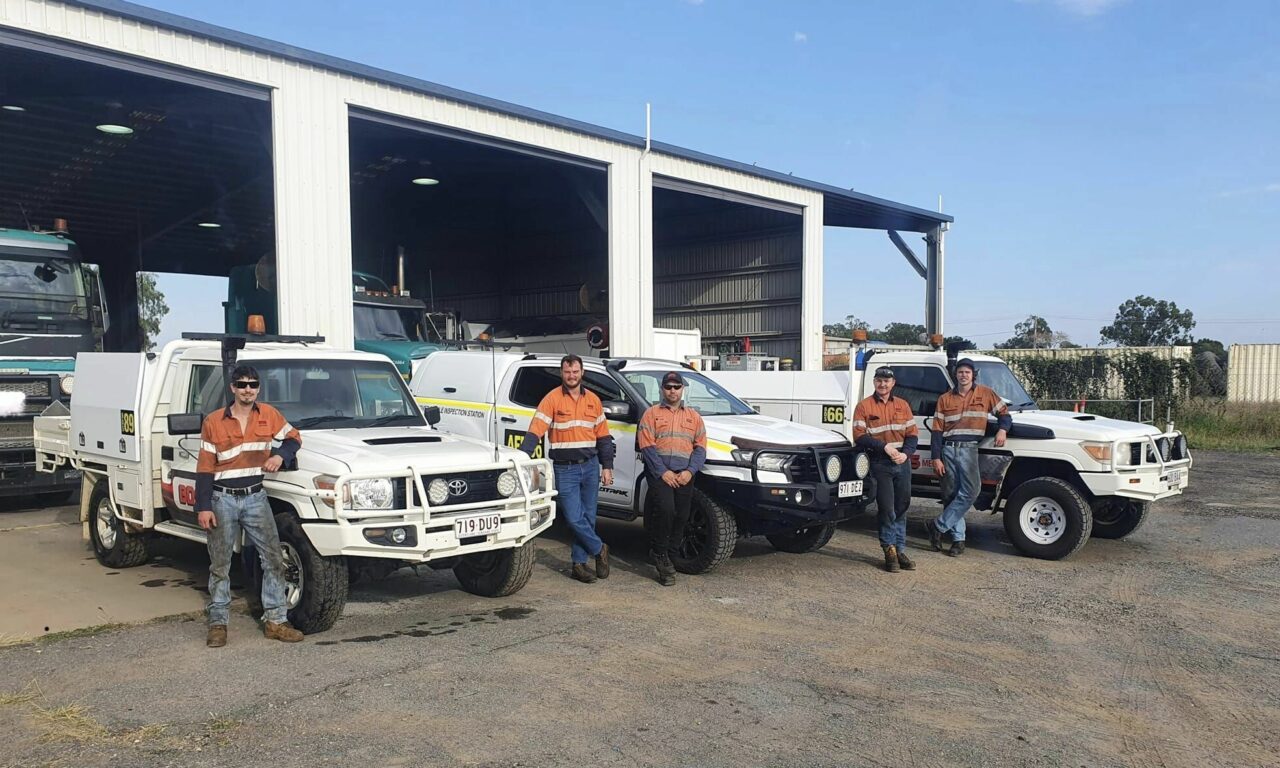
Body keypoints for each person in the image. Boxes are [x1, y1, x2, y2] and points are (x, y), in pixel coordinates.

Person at [196, 365, 304, 647]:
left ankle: (276, 621)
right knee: (220, 564)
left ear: (258, 388)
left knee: (273, 560)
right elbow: (205, 468)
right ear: (232, 387)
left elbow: (294, 438)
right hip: (222, 500)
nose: (247, 389)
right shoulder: (214, 421)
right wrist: (203, 506)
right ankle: (218, 623)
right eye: (242, 384)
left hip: (256, 497)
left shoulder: (269, 415)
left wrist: (280, 456)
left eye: (253, 385)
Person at [518, 354, 616, 583]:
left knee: (589, 517)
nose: (571, 376)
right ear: (561, 373)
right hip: (566, 469)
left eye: (575, 371)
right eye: (567, 372)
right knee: (573, 517)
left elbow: (603, 437)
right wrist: (522, 456)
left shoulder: (593, 400)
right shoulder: (552, 399)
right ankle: (600, 548)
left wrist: (607, 466)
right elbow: (535, 430)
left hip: (591, 466)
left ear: (582, 373)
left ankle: (578, 565)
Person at [926, 358, 1011, 557]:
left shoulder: (986, 393)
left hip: (969, 449)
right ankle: (958, 540)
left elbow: (1005, 414)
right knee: (951, 496)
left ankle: (937, 526)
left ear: (973, 375)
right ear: (955, 374)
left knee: (972, 491)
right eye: (960, 372)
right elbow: (937, 431)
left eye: (967, 372)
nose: (963, 375)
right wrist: (936, 458)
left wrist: (1002, 431)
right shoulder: (945, 398)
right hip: (948, 450)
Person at [637, 371, 707, 586]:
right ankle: (660, 554)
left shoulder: (694, 417)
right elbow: (646, 446)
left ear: (682, 389)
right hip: (660, 473)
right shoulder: (651, 414)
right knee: (666, 510)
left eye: (676, 387)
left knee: (682, 515)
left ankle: (670, 553)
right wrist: (663, 472)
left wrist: (689, 471)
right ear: (662, 389)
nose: (672, 391)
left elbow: (701, 448)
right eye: (668, 387)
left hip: (685, 473)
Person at [852, 366, 919, 572]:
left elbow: (912, 434)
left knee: (903, 505)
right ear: (874, 382)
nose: (883, 384)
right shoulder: (864, 406)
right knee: (887, 508)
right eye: (879, 380)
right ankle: (889, 550)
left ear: (893, 383)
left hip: (901, 461)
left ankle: (900, 549)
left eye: (886, 381)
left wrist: (906, 454)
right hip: (880, 462)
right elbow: (859, 436)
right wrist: (884, 447)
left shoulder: (903, 405)